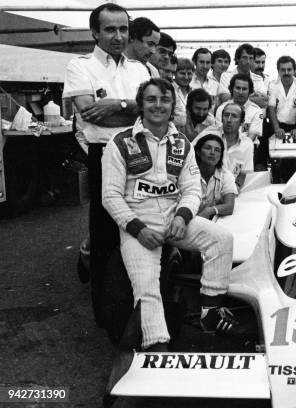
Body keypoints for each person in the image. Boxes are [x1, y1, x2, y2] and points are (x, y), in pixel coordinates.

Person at [102, 78, 241, 351]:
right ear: (141, 104)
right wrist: (138, 229)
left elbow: (191, 190)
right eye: (152, 99)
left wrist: (182, 217)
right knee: (147, 287)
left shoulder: (183, 144)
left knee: (221, 239)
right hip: (138, 227)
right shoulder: (118, 143)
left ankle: (210, 312)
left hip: (173, 220)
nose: (158, 105)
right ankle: (157, 348)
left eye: (165, 100)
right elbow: (110, 196)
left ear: (172, 105)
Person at [62, 2, 150, 326]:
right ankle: (105, 311)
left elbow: (151, 111)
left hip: (139, 154)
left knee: (139, 226)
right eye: (110, 29)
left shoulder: (140, 70)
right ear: (95, 32)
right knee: (105, 233)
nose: (118, 35)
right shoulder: (80, 66)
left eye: (123, 29)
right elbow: (88, 111)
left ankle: (135, 302)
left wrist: (118, 104)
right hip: (104, 156)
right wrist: (132, 108)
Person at [268, 55, 296, 181]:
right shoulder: (273, 85)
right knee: (276, 161)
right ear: (278, 71)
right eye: (283, 70)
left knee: (290, 161)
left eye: (289, 69)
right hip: (277, 125)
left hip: (294, 126)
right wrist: (276, 128)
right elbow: (271, 108)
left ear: (294, 70)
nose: (286, 73)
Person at [192, 133, 237, 219]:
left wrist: (209, 211)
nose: (212, 152)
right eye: (208, 148)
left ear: (220, 156)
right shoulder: (188, 173)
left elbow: (229, 206)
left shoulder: (225, 175)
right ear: (198, 152)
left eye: (217, 150)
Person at [215, 73, 264, 144]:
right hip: (225, 147)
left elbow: (250, 139)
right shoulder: (222, 109)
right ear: (232, 89)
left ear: (249, 91)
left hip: (248, 149)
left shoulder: (256, 111)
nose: (240, 92)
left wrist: (238, 149)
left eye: (244, 89)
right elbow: (220, 134)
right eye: (238, 88)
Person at [220, 102, 254, 190]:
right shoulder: (209, 135)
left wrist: (232, 191)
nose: (229, 120)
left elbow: (241, 177)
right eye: (226, 115)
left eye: (234, 116)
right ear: (221, 118)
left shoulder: (247, 144)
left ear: (242, 122)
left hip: (230, 190)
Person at [172, 57, 194, 130]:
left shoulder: (194, 92)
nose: (186, 77)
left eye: (189, 73)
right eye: (182, 73)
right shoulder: (169, 89)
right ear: (174, 73)